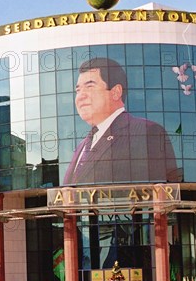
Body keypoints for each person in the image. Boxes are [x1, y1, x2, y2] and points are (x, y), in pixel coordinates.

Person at [63, 57, 180, 185]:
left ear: (116, 92)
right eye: (78, 90)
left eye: (89, 87)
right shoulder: (82, 145)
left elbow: (161, 193)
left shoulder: (146, 132)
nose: (80, 96)